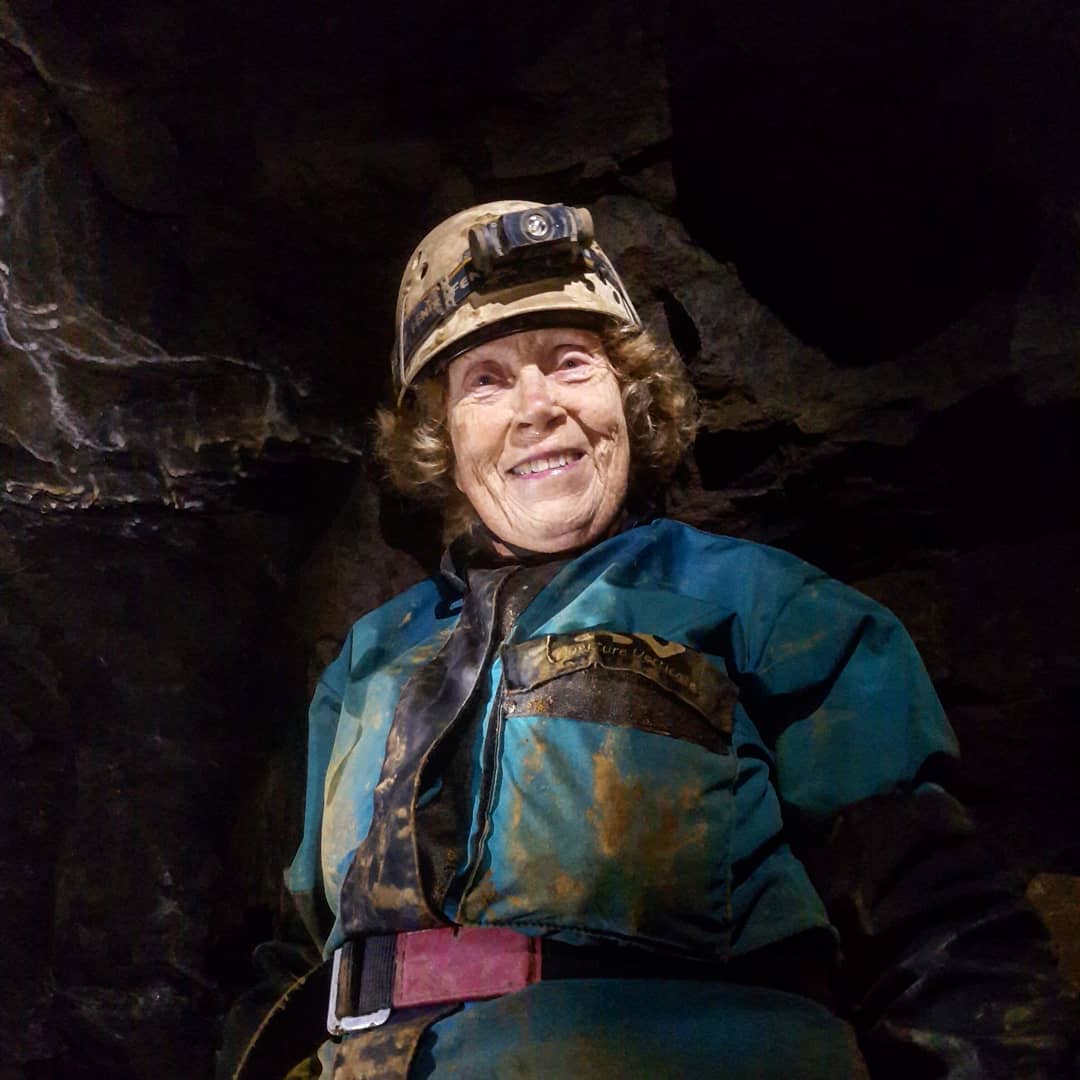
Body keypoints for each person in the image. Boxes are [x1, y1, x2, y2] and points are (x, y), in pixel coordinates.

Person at [229, 202, 1074, 1079]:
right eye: (487, 380)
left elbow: (945, 929)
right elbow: (292, 963)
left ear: (628, 398)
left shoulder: (768, 607)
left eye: (571, 361)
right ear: (441, 433)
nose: (537, 406)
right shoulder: (369, 660)